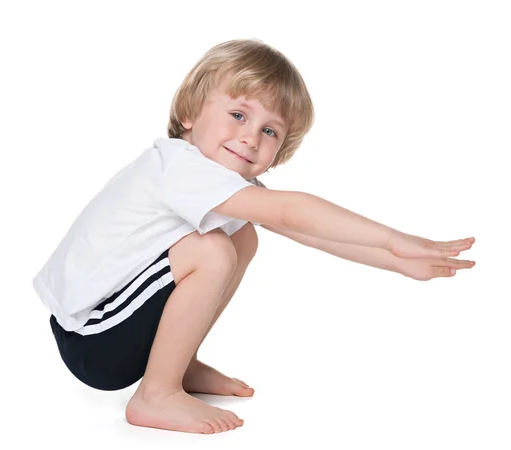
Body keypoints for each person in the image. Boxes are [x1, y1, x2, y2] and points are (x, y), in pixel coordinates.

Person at [32, 38, 476, 435]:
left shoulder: (225, 190)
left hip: (114, 332)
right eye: (239, 115)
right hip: (92, 336)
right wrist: (395, 238)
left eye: (269, 131)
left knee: (242, 237)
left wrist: (397, 261)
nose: (249, 137)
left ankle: (176, 366)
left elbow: (307, 230)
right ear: (189, 113)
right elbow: (293, 208)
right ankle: (156, 395)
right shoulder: (179, 168)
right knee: (211, 250)